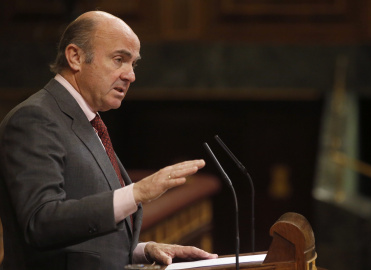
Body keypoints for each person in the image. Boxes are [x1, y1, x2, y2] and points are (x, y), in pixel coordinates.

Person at [0, 11, 217, 270]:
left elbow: (79, 242)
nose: (130, 75)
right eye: (119, 59)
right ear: (75, 57)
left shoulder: (88, 121)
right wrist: (137, 192)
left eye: (133, 64)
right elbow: (41, 222)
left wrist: (141, 251)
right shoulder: (35, 118)